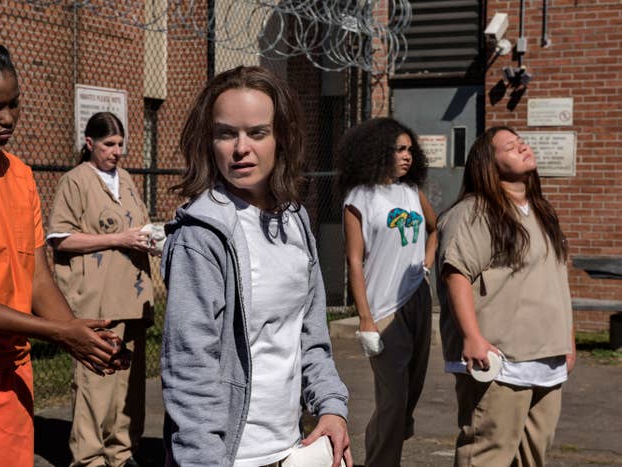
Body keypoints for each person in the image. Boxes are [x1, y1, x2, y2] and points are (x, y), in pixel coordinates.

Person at [0, 40, 123, 467]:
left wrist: (79, 335)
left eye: (15, 105)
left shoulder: (19, 175)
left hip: (12, 366)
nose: (8, 118)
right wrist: (55, 332)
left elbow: (36, 278)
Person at [160, 65, 352, 467]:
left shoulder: (295, 219)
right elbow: (189, 368)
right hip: (229, 457)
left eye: (257, 133)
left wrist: (331, 406)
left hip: (294, 449)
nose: (240, 148)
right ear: (209, 141)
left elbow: (309, 336)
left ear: (281, 138)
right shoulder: (203, 235)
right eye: (226, 133)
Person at [436, 126, 575, 466]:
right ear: (488, 163)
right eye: (510, 146)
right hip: (499, 360)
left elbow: (557, 282)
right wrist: (472, 337)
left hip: (546, 358)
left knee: (532, 456)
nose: (522, 147)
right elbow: (457, 273)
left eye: (521, 142)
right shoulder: (473, 212)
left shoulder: (543, 213)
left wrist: (567, 342)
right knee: (487, 454)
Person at [47, 111, 155, 467]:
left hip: (132, 295)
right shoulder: (76, 181)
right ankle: (90, 457)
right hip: (97, 297)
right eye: (109, 144)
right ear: (89, 143)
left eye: (121, 144)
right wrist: (117, 238)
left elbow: (137, 224)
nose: (117, 151)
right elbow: (60, 239)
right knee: (97, 381)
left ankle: (121, 452)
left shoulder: (124, 179)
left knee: (129, 383)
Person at [337, 117, 437, 466]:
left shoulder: (411, 192)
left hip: (418, 298)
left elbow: (435, 228)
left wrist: (425, 265)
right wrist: (365, 319)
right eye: (399, 149)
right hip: (383, 309)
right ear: (379, 150)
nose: (407, 156)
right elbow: (353, 261)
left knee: (409, 397)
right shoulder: (359, 197)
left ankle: (387, 449)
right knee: (393, 399)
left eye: (410, 149)